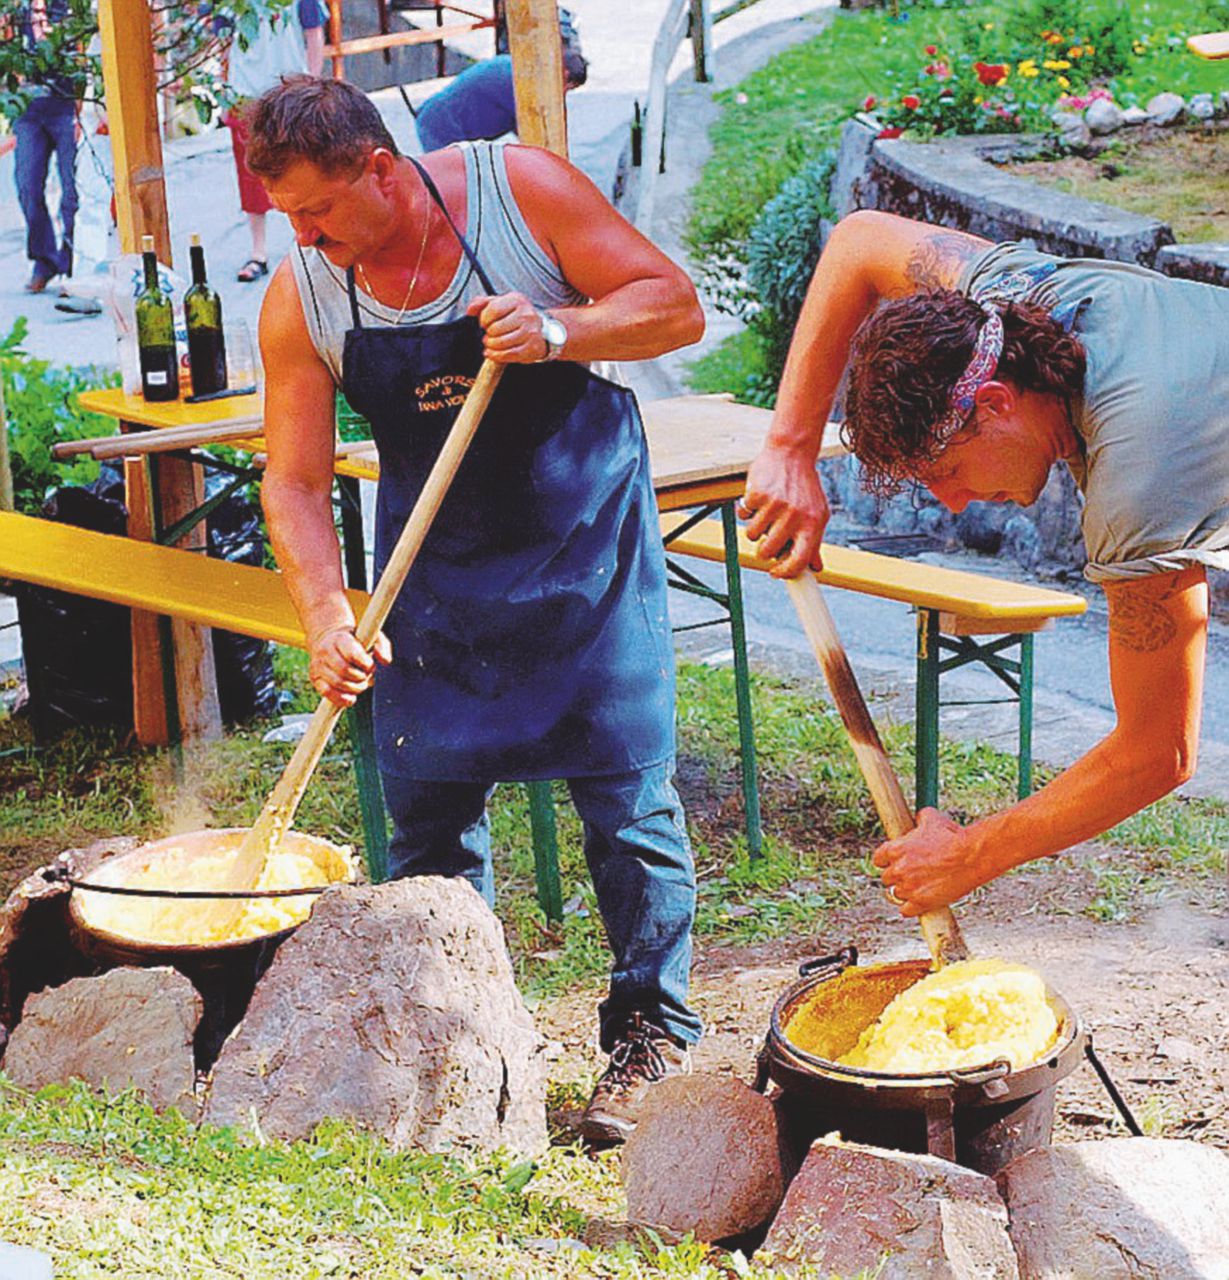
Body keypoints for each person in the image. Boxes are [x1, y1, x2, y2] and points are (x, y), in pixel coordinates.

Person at [246, 76, 706, 1142]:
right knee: (427, 818)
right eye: (289, 219)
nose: (305, 236)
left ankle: (649, 1037)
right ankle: (447, 1038)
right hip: (433, 577)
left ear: (379, 168)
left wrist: (556, 325)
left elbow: (673, 304)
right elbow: (295, 483)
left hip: (584, 548)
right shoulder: (304, 295)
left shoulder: (518, 195)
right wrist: (325, 611)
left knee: (627, 809)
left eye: (316, 210)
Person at [741, 209, 1229, 915]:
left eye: (946, 470)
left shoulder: (1140, 474)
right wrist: (788, 447)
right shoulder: (1005, 308)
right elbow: (860, 241)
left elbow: (1156, 752)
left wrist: (971, 853)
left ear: (993, 403)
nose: (956, 503)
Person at [222, 0, 327, 282]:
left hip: (289, 91)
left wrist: (312, 85)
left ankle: (309, 243)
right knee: (250, 175)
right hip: (244, 92)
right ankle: (259, 252)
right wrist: (223, 93)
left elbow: (314, 32)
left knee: (301, 170)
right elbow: (222, 41)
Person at [13, 0, 79, 294]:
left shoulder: (69, 6)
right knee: (27, 185)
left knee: (73, 191)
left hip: (67, 105)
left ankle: (73, 265)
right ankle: (44, 260)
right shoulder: (15, 9)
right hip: (28, 109)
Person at [414, 46, 587, 154]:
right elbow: (535, 137)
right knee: (453, 189)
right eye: (565, 85)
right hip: (441, 127)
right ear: (561, 72)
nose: (562, 93)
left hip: (446, 124)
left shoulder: (523, 70)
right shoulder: (522, 81)